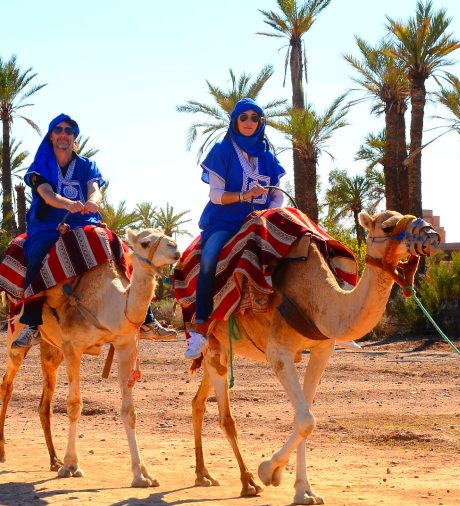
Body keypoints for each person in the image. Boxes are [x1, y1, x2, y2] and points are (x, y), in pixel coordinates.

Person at [13, 113, 175, 349]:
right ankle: (32, 324)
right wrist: (68, 204)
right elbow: (46, 194)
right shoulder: (41, 165)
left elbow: (95, 189)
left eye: (69, 131)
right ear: (51, 135)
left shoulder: (87, 165)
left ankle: (147, 319)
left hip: (85, 220)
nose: (63, 135)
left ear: (74, 137)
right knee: (37, 253)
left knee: (119, 248)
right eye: (58, 129)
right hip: (50, 224)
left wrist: (94, 201)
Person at [184, 98, 285, 359]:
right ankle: (201, 327)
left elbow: (278, 194)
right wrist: (244, 195)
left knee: (296, 250)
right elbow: (216, 195)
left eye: (255, 118)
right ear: (235, 121)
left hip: (261, 221)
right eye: (244, 117)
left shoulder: (268, 156)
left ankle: (300, 318)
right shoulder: (222, 151)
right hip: (225, 222)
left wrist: (270, 209)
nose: (249, 122)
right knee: (209, 258)